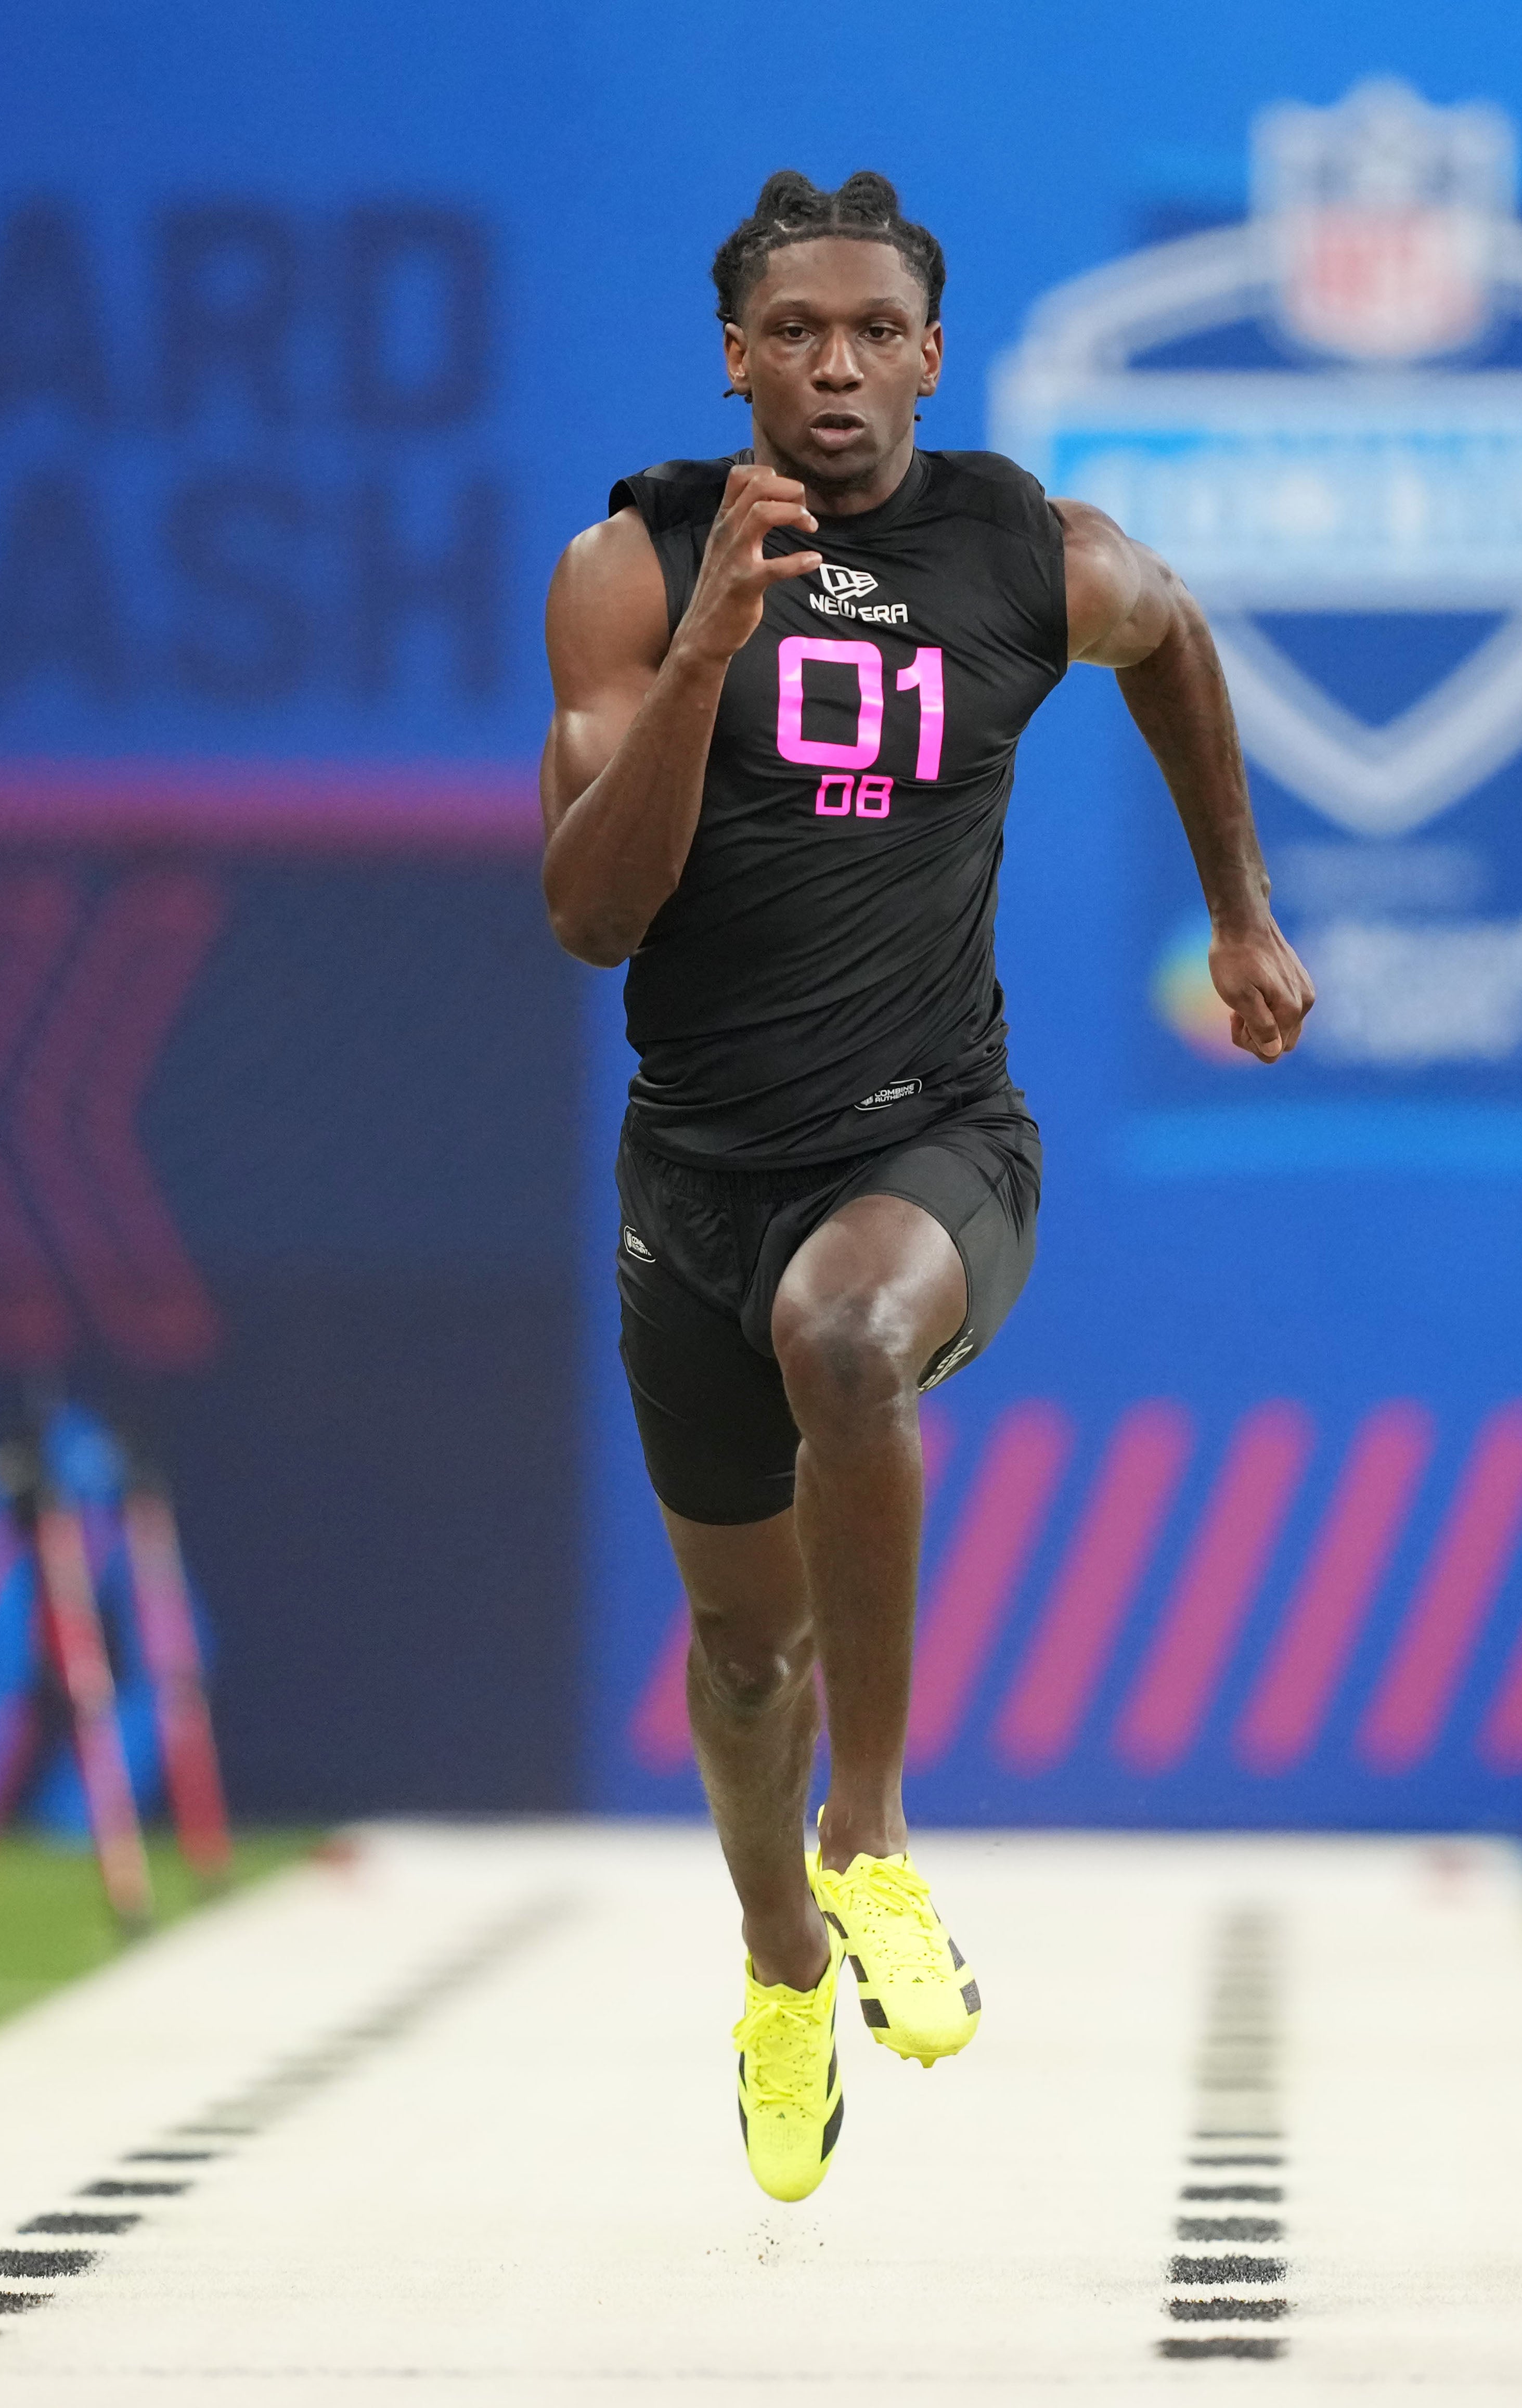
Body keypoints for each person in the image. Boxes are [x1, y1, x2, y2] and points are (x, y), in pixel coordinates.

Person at [536, 170, 1313, 2201]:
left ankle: (869, 1842)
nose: (839, 367)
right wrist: (711, 645)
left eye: (876, 331)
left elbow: (1179, 638)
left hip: (930, 1139)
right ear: (736, 358)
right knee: (736, 1658)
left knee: (852, 1339)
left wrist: (1239, 910)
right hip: (690, 1175)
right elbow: (589, 920)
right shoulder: (632, 568)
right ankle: (783, 1961)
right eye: (796, 333)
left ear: (931, 354)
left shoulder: (1022, 550)